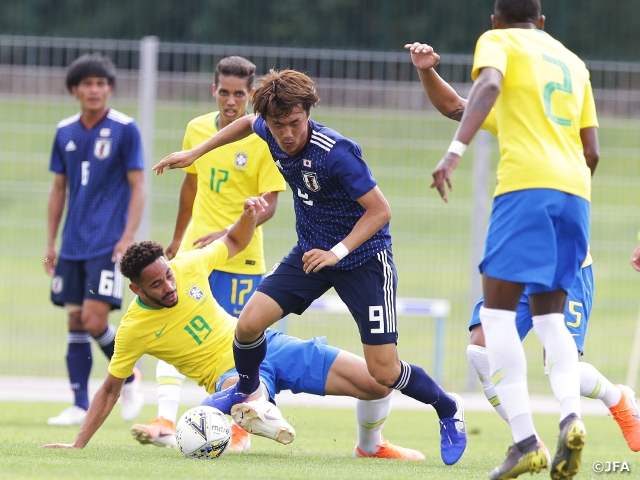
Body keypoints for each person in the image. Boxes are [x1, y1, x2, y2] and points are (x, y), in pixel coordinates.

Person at [152, 69, 467, 465]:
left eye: (295, 123)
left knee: (383, 372)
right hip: (311, 253)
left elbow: (381, 211)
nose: (286, 134)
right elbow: (248, 123)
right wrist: (195, 153)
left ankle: (447, 408)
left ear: (308, 111)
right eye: (278, 125)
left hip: (365, 260)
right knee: (248, 324)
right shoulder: (267, 126)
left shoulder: (337, 152)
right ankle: (247, 388)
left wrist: (337, 252)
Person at [42, 195, 427, 462]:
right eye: (157, 285)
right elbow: (110, 389)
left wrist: (249, 214)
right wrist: (78, 445)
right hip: (230, 377)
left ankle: (369, 446)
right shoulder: (133, 329)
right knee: (243, 391)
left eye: (168, 276)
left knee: (379, 381)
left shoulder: (188, 264)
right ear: (137, 289)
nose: (169, 286)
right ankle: (253, 410)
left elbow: (236, 240)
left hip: (266, 346)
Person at [406, 39, 640, 455]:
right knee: (480, 351)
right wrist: (426, 70)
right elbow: (458, 107)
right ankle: (528, 437)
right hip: (519, 255)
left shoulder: (563, 115)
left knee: (558, 363)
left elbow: (592, 154)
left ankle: (616, 399)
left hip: (567, 261)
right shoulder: (514, 114)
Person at [430, 0, 599, 478]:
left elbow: (486, 85)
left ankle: (525, 440)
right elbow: (592, 150)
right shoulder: (572, 60)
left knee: (496, 316)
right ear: (542, 22)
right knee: (550, 321)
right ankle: (571, 417)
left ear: (495, 20)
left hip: (526, 187)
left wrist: (454, 152)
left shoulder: (499, 41)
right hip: (575, 194)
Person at [129, 56, 286, 453]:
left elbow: (270, 203)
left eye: (239, 94)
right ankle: (165, 418)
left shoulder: (263, 138)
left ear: (251, 95)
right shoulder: (197, 129)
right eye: (223, 92)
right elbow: (190, 187)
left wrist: (234, 229)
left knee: (239, 346)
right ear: (212, 90)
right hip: (195, 257)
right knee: (172, 332)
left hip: (242, 257)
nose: (230, 101)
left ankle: (239, 427)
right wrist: (179, 237)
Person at [44, 53, 146, 426]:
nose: (94, 90)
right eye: (86, 84)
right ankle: (79, 403)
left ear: (110, 89)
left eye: (101, 84)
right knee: (74, 319)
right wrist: (51, 243)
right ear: (75, 90)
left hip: (107, 242)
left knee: (93, 318)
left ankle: (130, 376)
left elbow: (138, 187)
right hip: (72, 243)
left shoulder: (125, 128)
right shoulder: (65, 131)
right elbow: (58, 189)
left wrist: (128, 237)